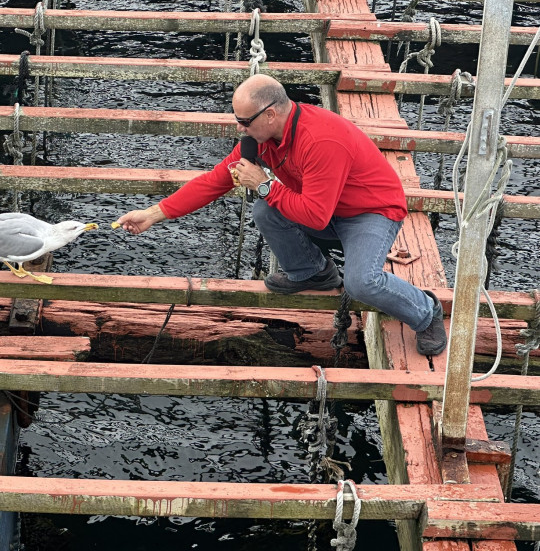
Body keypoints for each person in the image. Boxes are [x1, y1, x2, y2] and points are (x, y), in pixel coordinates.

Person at [115, 74, 447, 356]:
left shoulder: (321, 140)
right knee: (266, 212)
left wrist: (265, 186)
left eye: (245, 121)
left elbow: (315, 218)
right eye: (237, 121)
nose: (240, 129)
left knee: (362, 283)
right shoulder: (260, 140)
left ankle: (425, 311)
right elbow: (215, 180)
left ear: (271, 115)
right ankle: (313, 273)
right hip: (326, 208)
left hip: (369, 213)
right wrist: (153, 214)